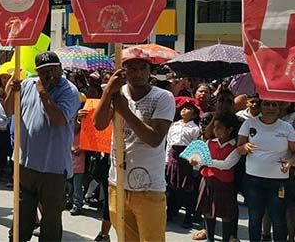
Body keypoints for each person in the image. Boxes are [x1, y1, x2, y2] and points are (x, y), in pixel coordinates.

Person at [94, 47, 175, 242]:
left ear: (150, 71)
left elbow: (155, 139)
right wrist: (108, 91)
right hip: (118, 183)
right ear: (123, 71)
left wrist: (125, 112)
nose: (137, 73)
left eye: (142, 68)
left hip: (149, 188)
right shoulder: (117, 93)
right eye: (131, 68)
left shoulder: (163, 98)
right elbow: (99, 124)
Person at [4, 51, 80, 242]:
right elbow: (8, 111)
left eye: (53, 70)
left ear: (61, 68)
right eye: (44, 72)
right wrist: (10, 93)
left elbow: (59, 120)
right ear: (37, 72)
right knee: (21, 220)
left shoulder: (69, 91)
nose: (49, 76)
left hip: (53, 170)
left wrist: (44, 93)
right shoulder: (27, 84)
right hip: (25, 166)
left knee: (50, 222)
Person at [238, 99, 295, 242]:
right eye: (266, 104)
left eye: (274, 105)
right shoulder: (249, 124)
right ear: (260, 106)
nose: (270, 107)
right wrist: (244, 148)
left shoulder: (287, 128)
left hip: (279, 182)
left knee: (278, 219)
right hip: (253, 180)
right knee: (255, 218)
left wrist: (291, 161)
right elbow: (239, 148)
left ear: (279, 107)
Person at [192, 114, 240, 242]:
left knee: (226, 214)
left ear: (229, 130)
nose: (216, 131)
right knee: (207, 211)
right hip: (207, 181)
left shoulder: (235, 147)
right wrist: (196, 162)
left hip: (224, 183)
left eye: (220, 128)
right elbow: (200, 163)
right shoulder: (209, 143)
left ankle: (225, 239)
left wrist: (206, 161)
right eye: (215, 127)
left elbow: (226, 165)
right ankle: (210, 238)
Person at [166, 97, 201, 227]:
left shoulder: (195, 129)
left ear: (195, 113)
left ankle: (188, 216)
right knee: (171, 187)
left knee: (188, 190)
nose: (184, 110)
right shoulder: (173, 125)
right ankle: (170, 212)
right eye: (183, 108)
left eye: (189, 109)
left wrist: (195, 167)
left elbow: (196, 148)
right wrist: (166, 160)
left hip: (186, 161)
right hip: (172, 158)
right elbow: (169, 144)